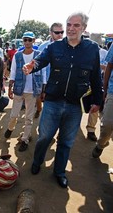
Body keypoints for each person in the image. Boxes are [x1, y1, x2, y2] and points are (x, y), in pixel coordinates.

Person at [23, 12, 103, 188]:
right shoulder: (55, 47)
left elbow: (96, 76)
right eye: (69, 24)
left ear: (84, 28)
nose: (71, 29)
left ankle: (59, 172)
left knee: (66, 142)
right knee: (44, 137)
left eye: (76, 25)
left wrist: (98, 100)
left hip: (75, 106)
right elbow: (40, 61)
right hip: (52, 101)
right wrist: (32, 66)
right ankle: (37, 162)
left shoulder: (92, 49)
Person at [4, 31, 45, 152]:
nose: (27, 42)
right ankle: (10, 128)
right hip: (19, 89)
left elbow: (43, 72)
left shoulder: (39, 55)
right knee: (14, 115)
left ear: (33, 41)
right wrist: (10, 87)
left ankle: (25, 139)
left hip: (32, 90)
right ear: (23, 41)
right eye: (25, 40)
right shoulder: (17, 55)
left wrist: (43, 89)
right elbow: (13, 71)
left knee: (28, 117)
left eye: (29, 40)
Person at [35, 22, 64, 118]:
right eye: (57, 32)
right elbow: (38, 63)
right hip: (44, 80)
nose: (60, 35)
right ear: (51, 33)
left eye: (62, 32)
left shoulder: (67, 46)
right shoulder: (43, 46)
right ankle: (39, 110)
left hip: (60, 83)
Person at [92, 43, 113, 158]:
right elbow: (109, 66)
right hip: (112, 91)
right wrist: (104, 89)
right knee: (107, 124)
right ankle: (101, 144)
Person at [86, 44, 108, 141]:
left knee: (94, 105)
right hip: (82, 81)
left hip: (97, 82)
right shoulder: (83, 50)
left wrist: (97, 66)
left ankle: (91, 130)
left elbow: (107, 67)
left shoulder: (104, 53)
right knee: (78, 104)